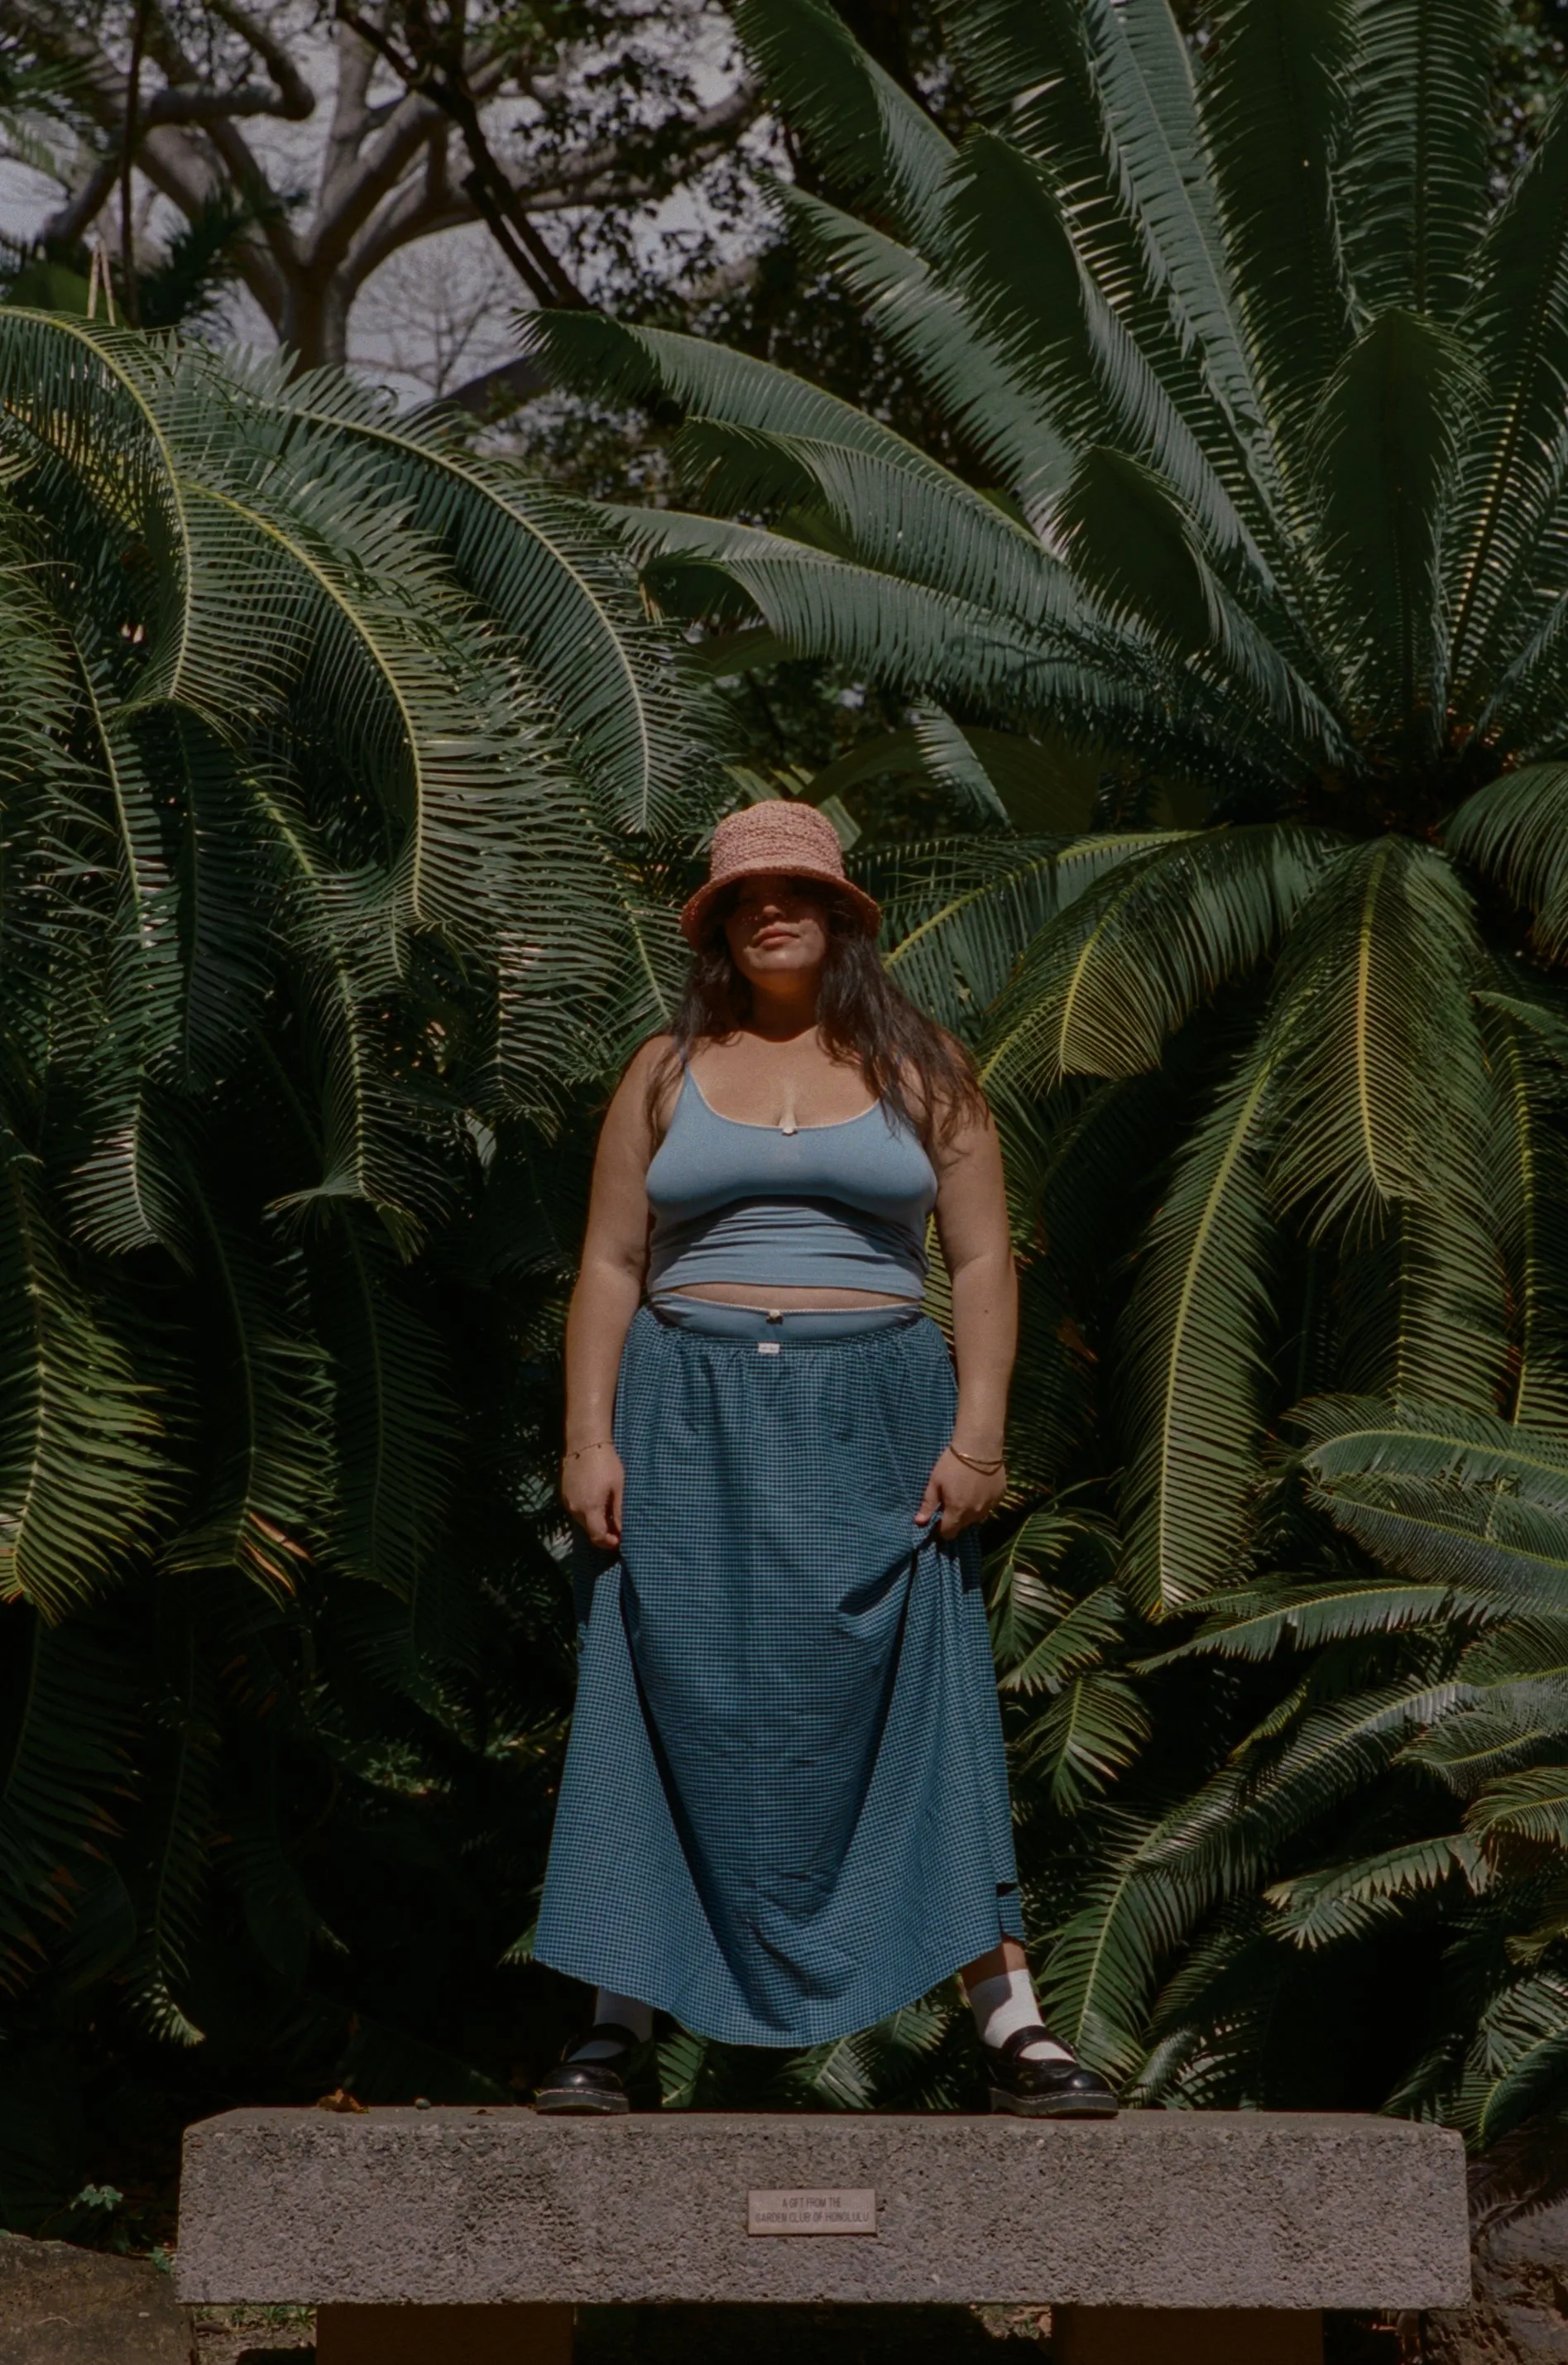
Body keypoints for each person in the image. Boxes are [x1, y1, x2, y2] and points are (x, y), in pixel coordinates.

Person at [532, 801, 1116, 2120]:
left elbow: (977, 1259)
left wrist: (978, 1434)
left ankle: (1009, 2017)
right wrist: (587, 1436)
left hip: (878, 1418)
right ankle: (613, 2018)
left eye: (794, 891)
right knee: (654, 1687)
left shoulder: (923, 1065)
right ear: (720, 928)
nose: (769, 911)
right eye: (743, 898)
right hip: (685, 1414)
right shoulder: (663, 1070)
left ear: (842, 914)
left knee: (927, 1702)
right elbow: (611, 1262)